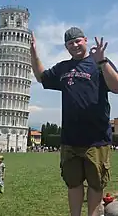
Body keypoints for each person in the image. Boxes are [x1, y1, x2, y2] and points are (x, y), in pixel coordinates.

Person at [30, 27, 118, 216]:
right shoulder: (63, 68)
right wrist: (34, 53)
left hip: (97, 139)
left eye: (78, 41)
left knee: (96, 185)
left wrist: (102, 61)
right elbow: (41, 77)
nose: (75, 45)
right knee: (74, 184)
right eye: (70, 43)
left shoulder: (98, 63)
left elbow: (116, 86)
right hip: (70, 139)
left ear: (85, 40)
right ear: (66, 47)